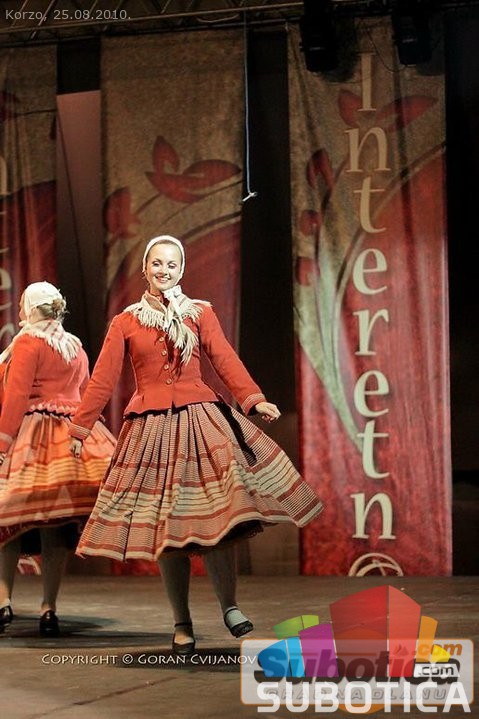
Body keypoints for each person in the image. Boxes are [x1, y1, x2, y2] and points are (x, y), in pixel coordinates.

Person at [69, 235, 323, 655]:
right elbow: (103, 378)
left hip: (200, 421)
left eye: (171, 264)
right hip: (151, 430)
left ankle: (230, 606)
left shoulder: (199, 312)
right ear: (145, 269)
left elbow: (224, 358)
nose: (164, 270)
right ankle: (182, 622)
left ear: (182, 270)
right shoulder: (126, 321)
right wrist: (81, 428)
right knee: (169, 531)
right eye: (157, 263)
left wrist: (253, 399)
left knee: (218, 518)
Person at [0, 282, 116, 637]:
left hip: (33, 436)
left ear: (30, 308)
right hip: (71, 437)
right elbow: (84, 394)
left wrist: (3, 443)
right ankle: (48, 608)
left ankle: (3, 601)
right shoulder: (74, 346)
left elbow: (16, 396)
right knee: (54, 527)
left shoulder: (28, 342)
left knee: (8, 519)